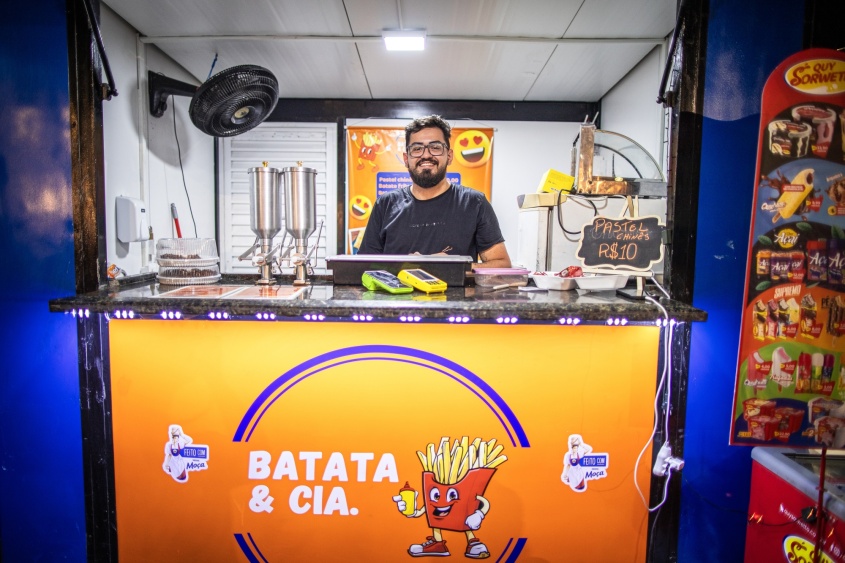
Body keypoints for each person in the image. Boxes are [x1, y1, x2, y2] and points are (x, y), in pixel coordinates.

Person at [358, 115, 511, 268]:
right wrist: (409, 266)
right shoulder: (385, 204)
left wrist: (452, 266)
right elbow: (364, 266)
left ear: (449, 156)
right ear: (406, 159)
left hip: (456, 293)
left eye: (435, 147)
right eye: (417, 148)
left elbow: (501, 264)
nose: (426, 155)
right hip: (398, 292)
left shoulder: (474, 203)